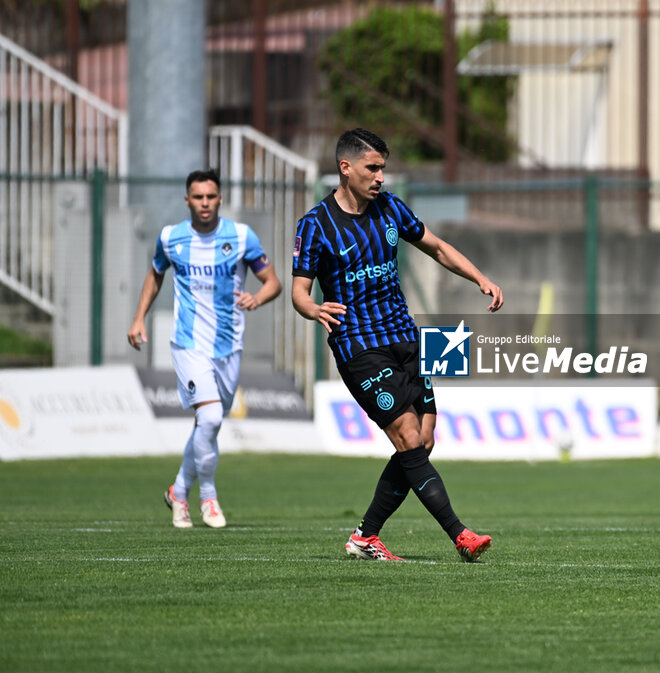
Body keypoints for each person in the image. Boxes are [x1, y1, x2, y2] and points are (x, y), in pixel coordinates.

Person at [291, 128, 502, 562]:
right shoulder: (315, 225)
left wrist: (479, 277)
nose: (381, 177)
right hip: (359, 346)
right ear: (345, 168)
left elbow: (437, 248)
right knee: (407, 435)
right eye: (373, 168)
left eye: (383, 168)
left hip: (405, 337)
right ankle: (461, 535)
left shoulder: (389, 208)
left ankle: (365, 536)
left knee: (422, 441)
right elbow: (299, 291)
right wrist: (312, 309)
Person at [128, 169, 282, 529]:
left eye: (211, 196)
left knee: (206, 425)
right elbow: (155, 274)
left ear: (220, 199)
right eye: (198, 197)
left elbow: (273, 282)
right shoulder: (171, 238)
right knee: (211, 418)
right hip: (188, 343)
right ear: (187, 201)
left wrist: (257, 297)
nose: (205, 203)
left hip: (229, 346)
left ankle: (178, 491)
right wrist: (139, 319)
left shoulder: (241, 237)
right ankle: (208, 497)